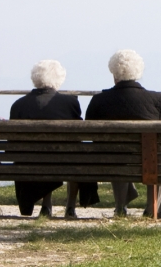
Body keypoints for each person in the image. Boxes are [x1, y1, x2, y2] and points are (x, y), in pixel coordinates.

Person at [85, 49, 161, 218]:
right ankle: (154, 209)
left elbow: (91, 134)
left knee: (117, 157)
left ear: (113, 73)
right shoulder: (157, 100)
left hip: (111, 161)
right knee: (157, 157)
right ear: (138, 73)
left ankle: (120, 207)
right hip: (149, 160)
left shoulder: (99, 101)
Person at [10, 60, 99, 218]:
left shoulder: (19, 105)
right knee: (75, 155)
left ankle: (46, 205)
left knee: (43, 158)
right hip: (63, 160)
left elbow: (12, 143)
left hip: (29, 161)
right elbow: (76, 136)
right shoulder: (70, 102)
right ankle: (70, 206)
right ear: (58, 79)